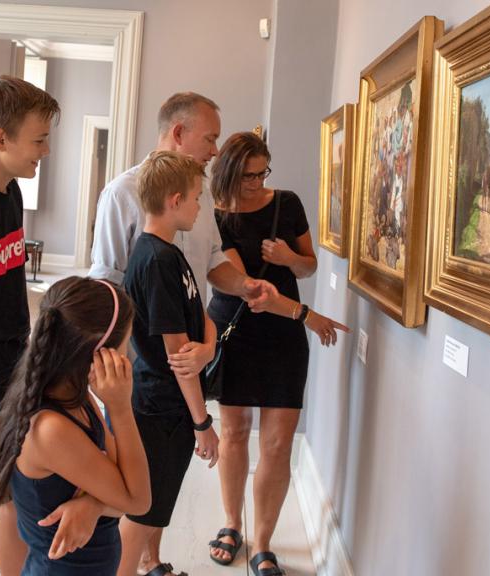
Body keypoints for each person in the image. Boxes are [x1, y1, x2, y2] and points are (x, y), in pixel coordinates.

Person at [89, 92, 276, 576]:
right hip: (148, 372)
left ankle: (151, 560)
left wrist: (246, 289)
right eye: (210, 137)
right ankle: (134, 562)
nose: (216, 149)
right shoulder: (121, 195)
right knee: (138, 487)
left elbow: (211, 269)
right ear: (179, 133)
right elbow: (106, 282)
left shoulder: (199, 199)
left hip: (182, 368)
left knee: (160, 484)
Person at [203, 132, 349, 576]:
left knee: (278, 442)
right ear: (228, 169)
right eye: (248, 174)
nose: (256, 181)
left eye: (263, 172)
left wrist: (288, 257)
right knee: (233, 432)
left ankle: (263, 541)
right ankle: (232, 524)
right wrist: (307, 314)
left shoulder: (287, 203)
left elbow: (310, 265)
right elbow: (252, 291)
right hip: (234, 328)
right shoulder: (215, 213)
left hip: (282, 337)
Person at [0, 276, 151, 574]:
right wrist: (121, 408)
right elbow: (138, 500)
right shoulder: (51, 429)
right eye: (127, 344)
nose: (131, 355)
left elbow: (122, 483)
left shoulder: (79, 397)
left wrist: (93, 505)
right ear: (101, 355)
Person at [118, 152, 219, 576]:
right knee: (142, 508)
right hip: (161, 405)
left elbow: (204, 319)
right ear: (175, 200)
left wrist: (209, 348)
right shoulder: (156, 261)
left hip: (169, 403)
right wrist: (202, 423)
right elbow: (180, 359)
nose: (200, 206)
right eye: (197, 198)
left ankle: (150, 563)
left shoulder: (169, 254)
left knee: (157, 501)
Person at [0, 75, 60, 574]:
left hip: (11, 361)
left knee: (11, 492)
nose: (46, 151)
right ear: (0, 139)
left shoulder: (10, 190)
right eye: (39, 139)